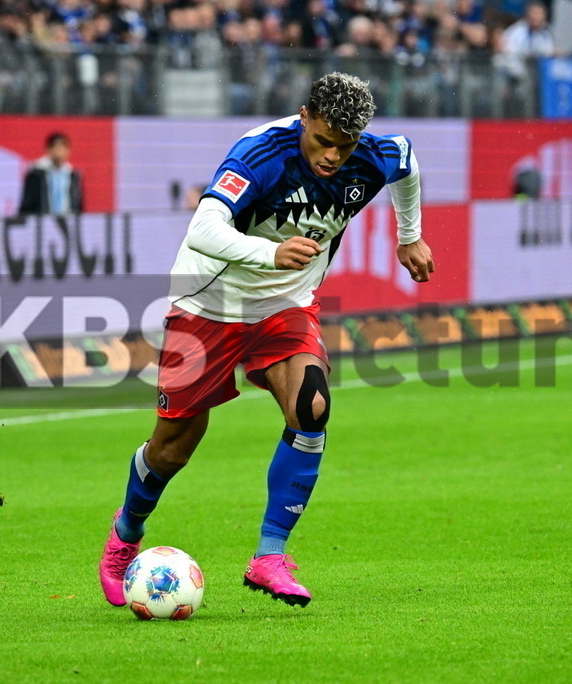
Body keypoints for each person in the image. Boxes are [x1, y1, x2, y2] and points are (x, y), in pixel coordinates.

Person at [98, 72, 434, 608]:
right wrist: (269, 252)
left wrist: (410, 235)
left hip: (286, 307)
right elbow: (202, 230)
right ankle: (126, 533)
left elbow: (408, 162)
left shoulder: (373, 155)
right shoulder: (261, 154)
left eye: (344, 147)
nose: (332, 157)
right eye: (323, 141)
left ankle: (269, 557)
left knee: (313, 405)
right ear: (305, 117)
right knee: (173, 448)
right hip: (209, 305)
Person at [18, 132, 84, 215]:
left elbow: (79, 206)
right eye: (56, 147)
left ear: (68, 151)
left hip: (67, 223)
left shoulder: (74, 176)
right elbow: (27, 206)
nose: (59, 151)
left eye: (63, 147)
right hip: (44, 223)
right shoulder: (36, 175)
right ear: (48, 149)